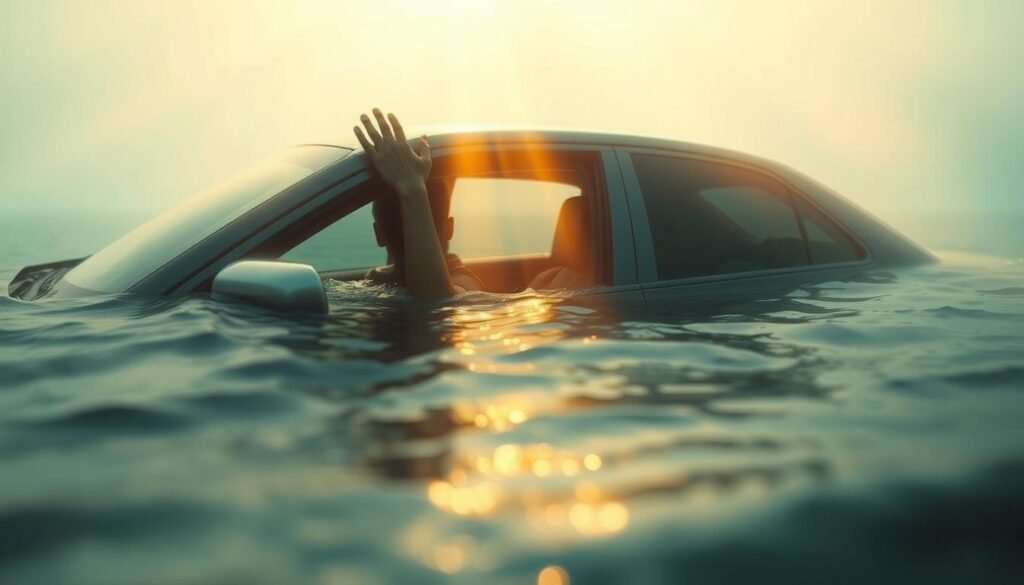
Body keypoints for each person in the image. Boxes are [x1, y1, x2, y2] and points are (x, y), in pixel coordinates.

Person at [353, 109, 483, 299]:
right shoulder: (379, 278)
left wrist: (411, 187)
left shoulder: (463, 281)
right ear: (450, 228)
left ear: (379, 235)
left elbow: (436, 299)